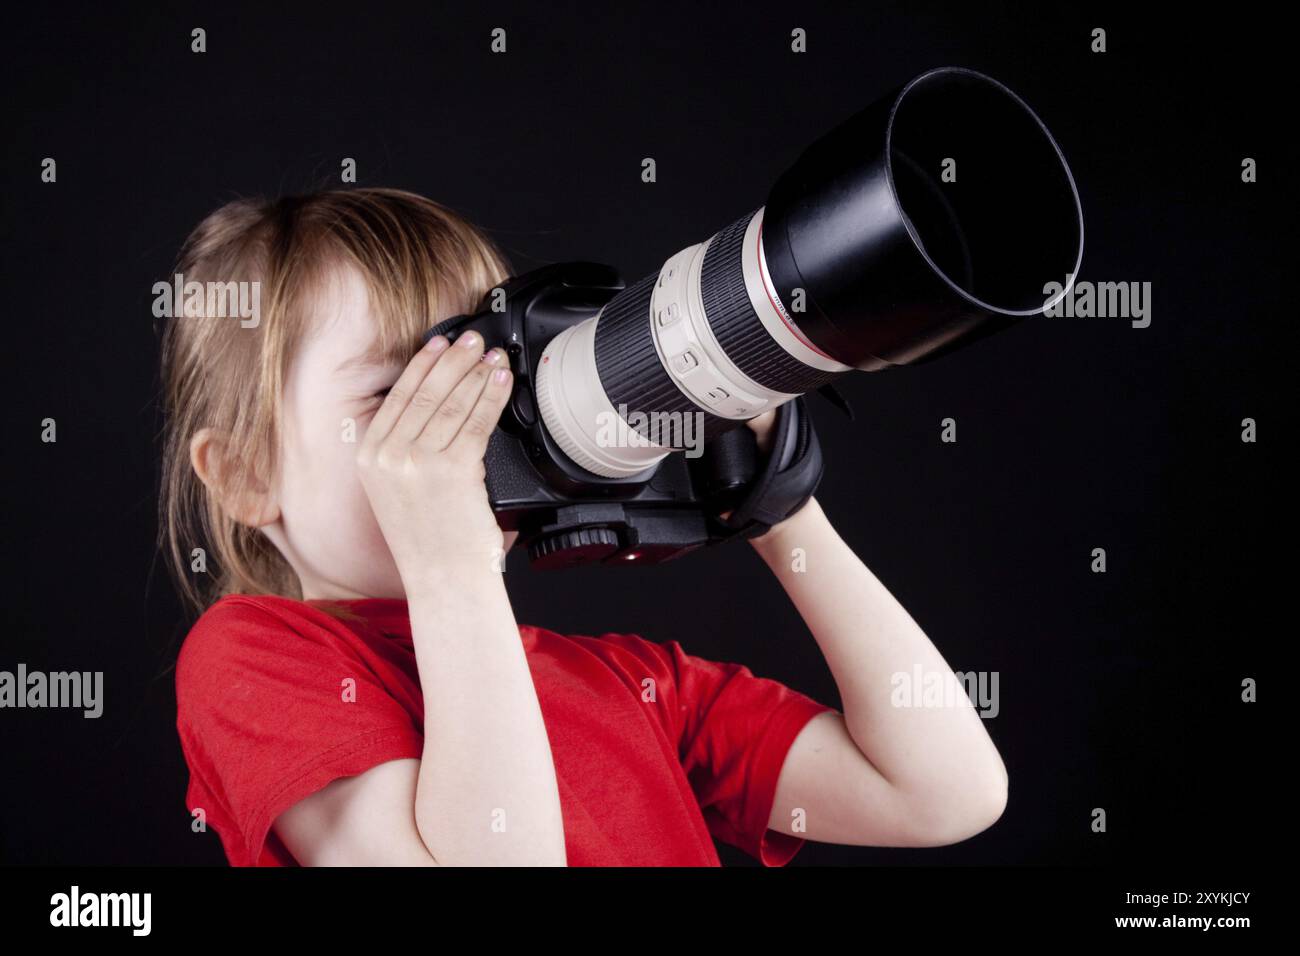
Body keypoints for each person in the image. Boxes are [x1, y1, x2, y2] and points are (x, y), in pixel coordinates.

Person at [160, 188, 1008, 866]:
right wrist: (453, 569)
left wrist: (782, 511)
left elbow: (942, 792)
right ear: (244, 475)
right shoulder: (257, 660)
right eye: (400, 397)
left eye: (497, 374)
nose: (475, 424)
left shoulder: (632, 686)